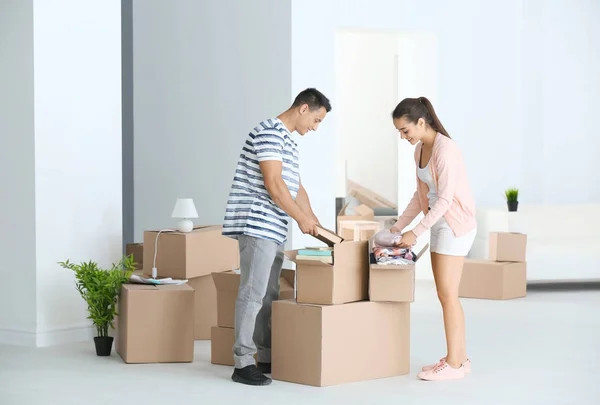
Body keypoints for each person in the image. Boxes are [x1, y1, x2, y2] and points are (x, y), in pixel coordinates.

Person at [222, 88, 332, 386]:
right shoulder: (269, 132)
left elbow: (296, 188)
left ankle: (265, 355)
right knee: (252, 292)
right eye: (317, 120)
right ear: (304, 108)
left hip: (274, 227)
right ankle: (243, 363)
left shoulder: (288, 143)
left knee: (268, 294)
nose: (315, 127)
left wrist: (317, 225)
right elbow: (273, 184)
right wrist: (300, 218)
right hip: (258, 224)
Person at [390, 96, 477, 381]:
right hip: (439, 222)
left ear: (421, 122)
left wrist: (415, 231)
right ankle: (459, 359)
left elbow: (446, 200)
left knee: (447, 294)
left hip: (454, 223)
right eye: (400, 132)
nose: (404, 137)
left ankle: (454, 365)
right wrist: (398, 226)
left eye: (405, 130)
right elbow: (421, 196)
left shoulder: (445, 149)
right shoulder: (420, 151)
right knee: (446, 294)